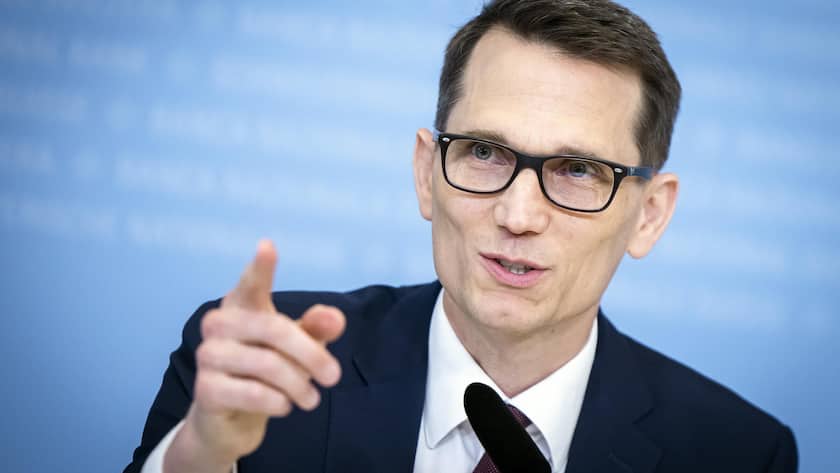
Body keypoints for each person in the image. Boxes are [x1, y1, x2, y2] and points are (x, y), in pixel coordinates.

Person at [125, 1, 798, 472]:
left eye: (577, 170)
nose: (519, 213)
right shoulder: (260, 369)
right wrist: (200, 457)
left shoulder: (737, 451)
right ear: (426, 173)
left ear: (649, 213)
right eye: (483, 153)